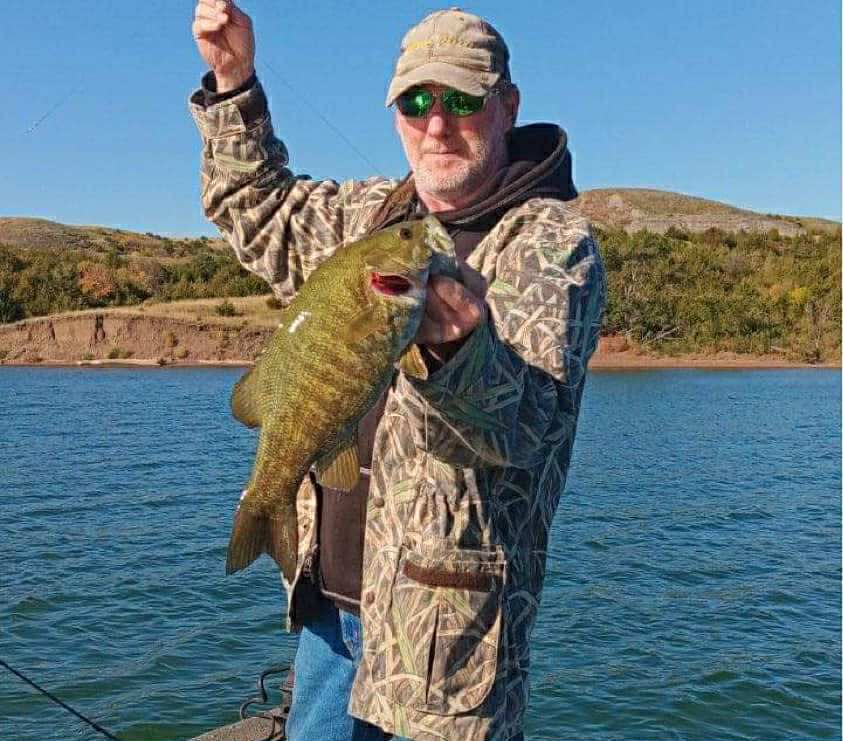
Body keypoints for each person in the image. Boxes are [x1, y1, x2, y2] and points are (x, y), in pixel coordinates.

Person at [190, 3, 606, 740]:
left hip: (444, 645)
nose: (436, 123)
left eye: (461, 100)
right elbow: (255, 207)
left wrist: (458, 354)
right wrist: (233, 84)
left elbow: (527, 432)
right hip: (329, 618)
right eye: (416, 101)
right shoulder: (373, 220)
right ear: (395, 114)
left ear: (506, 106)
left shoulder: (550, 245)